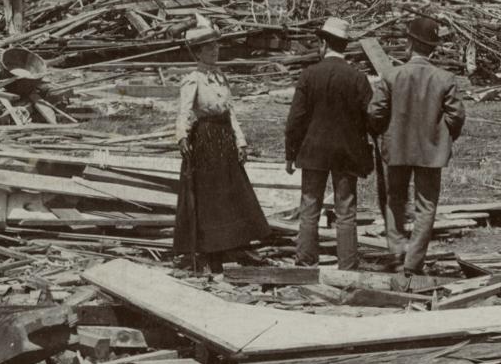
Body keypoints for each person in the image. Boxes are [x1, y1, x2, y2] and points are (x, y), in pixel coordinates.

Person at [368, 14, 467, 274]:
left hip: (397, 148)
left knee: (394, 199)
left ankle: (397, 250)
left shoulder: (392, 76)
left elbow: (375, 112)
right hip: (431, 152)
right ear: (433, 48)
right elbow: (456, 116)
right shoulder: (445, 79)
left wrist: (381, 133)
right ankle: (412, 263)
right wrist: (443, 137)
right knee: (426, 206)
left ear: (409, 44)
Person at [173, 20, 272, 274]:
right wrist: (182, 137)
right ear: (198, 52)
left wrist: (240, 141)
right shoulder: (193, 80)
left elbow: (231, 113)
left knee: (232, 192)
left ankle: (235, 243)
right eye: (210, 48)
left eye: (216, 47)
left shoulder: (220, 78)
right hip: (205, 139)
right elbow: (184, 112)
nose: (215, 51)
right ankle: (210, 249)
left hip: (224, 137)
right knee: (211, 195)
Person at [284, 17, 374, 269]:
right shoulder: (357, 78)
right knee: (346, 210)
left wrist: (290, 153)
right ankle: (347, 265)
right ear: (344, 46)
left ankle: (305, 260)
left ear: (324, 44)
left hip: (312, 152)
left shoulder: (309, 75)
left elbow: (296, 119)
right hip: (347, 153)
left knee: (309, 206)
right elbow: (371, 118)